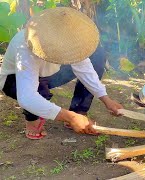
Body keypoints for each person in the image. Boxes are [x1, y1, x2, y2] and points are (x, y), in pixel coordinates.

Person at [0, 7, 123, 139]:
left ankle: (79, 112)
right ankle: (33, 120)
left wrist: (105, 99)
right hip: (14, 80)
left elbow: (84, 68)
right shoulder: (26, 42)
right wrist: (70, 117)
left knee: (96, 56)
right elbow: (27, 96)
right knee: (39, 93)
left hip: (50, 74)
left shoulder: (71, 37)